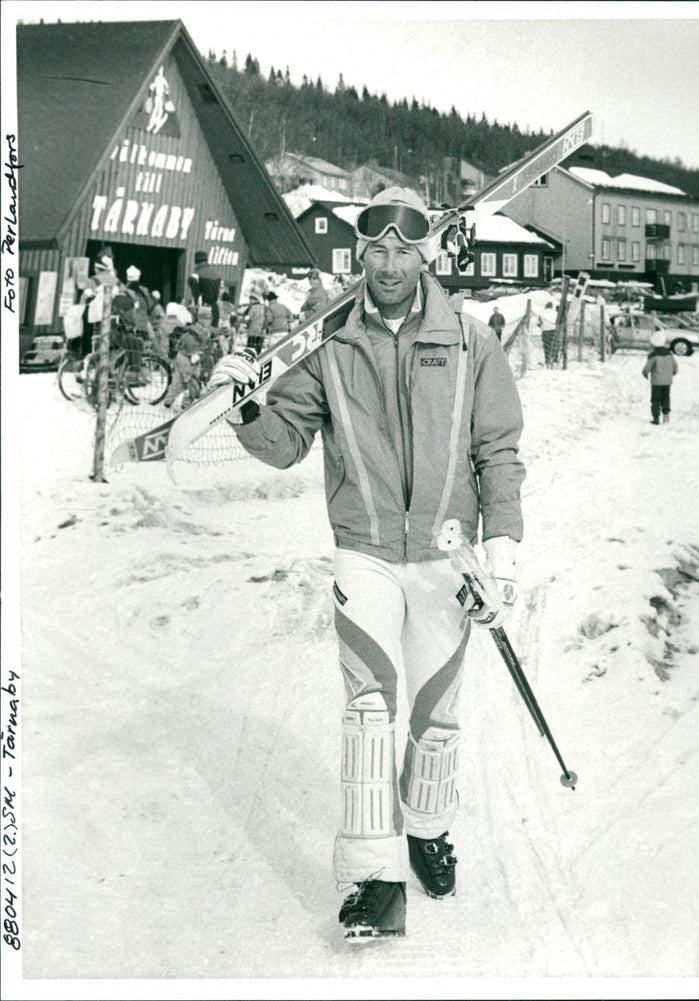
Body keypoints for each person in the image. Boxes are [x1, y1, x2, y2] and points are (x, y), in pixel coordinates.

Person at [208, 186, 525, 941]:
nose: (388, 263)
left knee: (435, 717)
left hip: (449, 556)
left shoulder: (471, 341)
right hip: (366, 549)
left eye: (403, 249)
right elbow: (284, 442)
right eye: (375, 248)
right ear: (361, 254)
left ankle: (427, 825)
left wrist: (502, 558)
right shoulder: (328, 346)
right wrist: (246, 404)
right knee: (368, 712)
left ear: (425, 254)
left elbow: (498, 452)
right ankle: (375, 880)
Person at [641, 330, 678, 425]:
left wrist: (645, 373)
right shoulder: (669, 354)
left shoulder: (654, 355)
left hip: (656, 382)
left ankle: (656, 418)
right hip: (667, 382)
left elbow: (647, 367)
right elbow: (675, 366)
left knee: (655, 399)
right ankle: (666, 416)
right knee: (666, 398)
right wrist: (673, 372)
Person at [187, 251, 222, 328]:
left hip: (203, 309)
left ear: (196, 260)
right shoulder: (216, 274)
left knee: (200, 334)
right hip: (215, 309)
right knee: (213, 335)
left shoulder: (195, 275)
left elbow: (196, 294)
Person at [540, 301, 559, 368]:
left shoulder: (542, 313)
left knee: (546, 345)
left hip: (545, 330)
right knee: (555, 345)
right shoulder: (556, 313)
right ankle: (555, 359)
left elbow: (539, 323)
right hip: (554, 330)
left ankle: (547, 360)